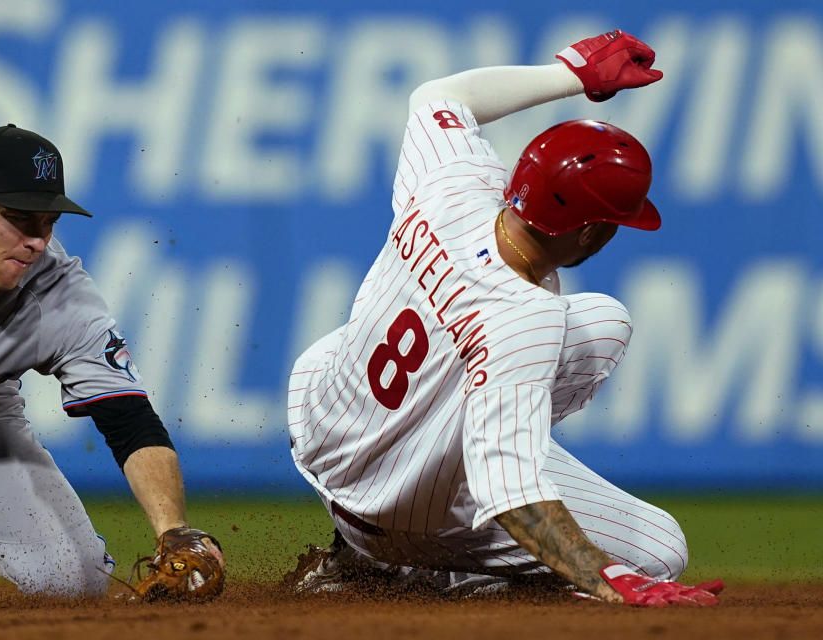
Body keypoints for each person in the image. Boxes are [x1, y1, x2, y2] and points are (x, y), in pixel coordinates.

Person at [286, 31, 723, 606]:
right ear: (589, 229)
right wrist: (603, 575)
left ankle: (391, 524)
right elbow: (513, 493)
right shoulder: (525, 319)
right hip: (397, 515)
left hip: (321, 424)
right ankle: (428, 572)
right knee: (660, 550)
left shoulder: (455, 183)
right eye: (616, 222)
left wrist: (571, 73)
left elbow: (438, 95)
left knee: (601, 322)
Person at [0, 124, 222, 599]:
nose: (36, 240)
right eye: (19, 218)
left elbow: (130, 420)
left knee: (72, 582)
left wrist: (173, 529)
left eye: (47, 221)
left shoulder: (63, 300)